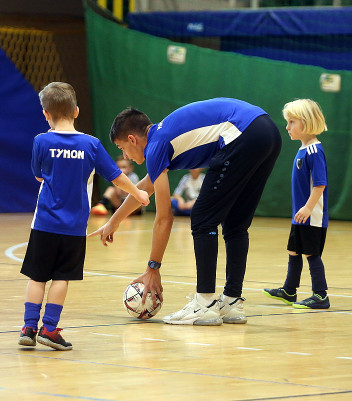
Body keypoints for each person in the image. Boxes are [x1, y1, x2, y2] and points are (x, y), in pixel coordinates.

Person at [89, 98, 282, 325]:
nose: (125, 156)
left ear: (133, 139)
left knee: (202, 218)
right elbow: (144, 188)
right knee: (235, 223)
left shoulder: (156, 145)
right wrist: (113, 221)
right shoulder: (162, 138)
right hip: (267, 131)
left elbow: (164, 218)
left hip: (242, 132)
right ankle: (231, 301)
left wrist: (153, 268)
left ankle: (204, 304)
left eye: (122, 148)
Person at [19, 82, 149, 350]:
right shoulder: (91, 144)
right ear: (76, 111)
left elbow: (39, 175)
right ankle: (49, 329)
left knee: (37, 277)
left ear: (45, 114)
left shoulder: (41, 141)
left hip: (43, 223)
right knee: (61, 277)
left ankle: (29, 328)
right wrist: (138, 192)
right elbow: (116, 177)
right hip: (73, 227)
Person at [263, 99, 330, 309]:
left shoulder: (314, 151)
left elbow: (320, 184)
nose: (287, 127)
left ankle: (321, 295)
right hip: (300, 215)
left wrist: (308, 208)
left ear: (307, 122)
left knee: (311, 252)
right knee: (294, 249)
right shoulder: (303, 149)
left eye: (292, 122)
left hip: (312, 215)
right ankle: (289, 290)